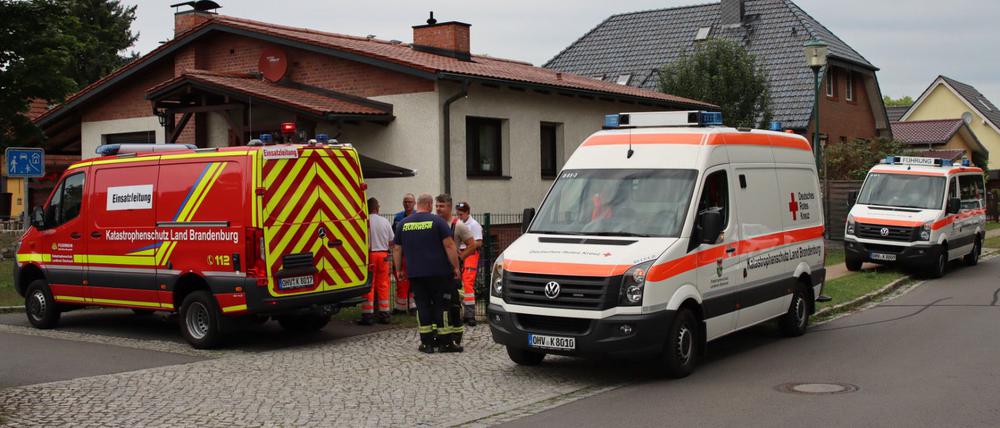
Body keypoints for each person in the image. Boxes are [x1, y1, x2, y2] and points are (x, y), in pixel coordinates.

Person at [393, 194, 463, 353]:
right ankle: (445, 343)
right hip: (439, 273)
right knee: (441, 306)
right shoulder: (438, 222)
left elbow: (397, 248)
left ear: (417, 204)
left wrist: (398, 269)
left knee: (422, 306)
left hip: (416, 274)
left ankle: (427, 343)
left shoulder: (403, 224)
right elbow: (450, 246)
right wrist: (456, 267)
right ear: (430, 204)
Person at [435, 194, 475, 344]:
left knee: (453, 304)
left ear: (449, 207)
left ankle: (456, 336)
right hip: (437, 271)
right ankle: (440, 334)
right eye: (437, 205)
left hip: (452, 273)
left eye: (442, 206)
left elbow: (473, 245)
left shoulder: (458, 225)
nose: (438, 209)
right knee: (438, 304)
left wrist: (460, 258)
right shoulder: (434, 222)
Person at [358, 197, 393, 326]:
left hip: (370, 255)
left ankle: (368, 315)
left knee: (369, 285)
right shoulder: (385, 221)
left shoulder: (365, 221)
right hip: (383, 255)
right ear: (377, 207)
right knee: (383, 284)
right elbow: (391, 241)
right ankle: (384, 314)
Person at [455, 202, 483, 326]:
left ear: (467, 212)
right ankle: (461, 313)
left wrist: (467, 246)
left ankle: (470, 315)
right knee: (458, 283)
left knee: (468, 283)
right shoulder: (457, 224)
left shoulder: (474, 225)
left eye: (461, 214)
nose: (459, 216)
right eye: (458, 214)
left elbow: (479, 242)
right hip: (459, 253)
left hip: (470, 254)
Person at [392, 193, 417, 315]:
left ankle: (413, 307)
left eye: (410, 202)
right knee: (400, 280)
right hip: (401, 254)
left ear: (414, 203)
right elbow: (393, 236)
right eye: (406, 201)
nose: (407, 204)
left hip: (414, 254)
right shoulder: (398, 217)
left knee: (414, 281)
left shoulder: (418, 217)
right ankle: (401, 308)